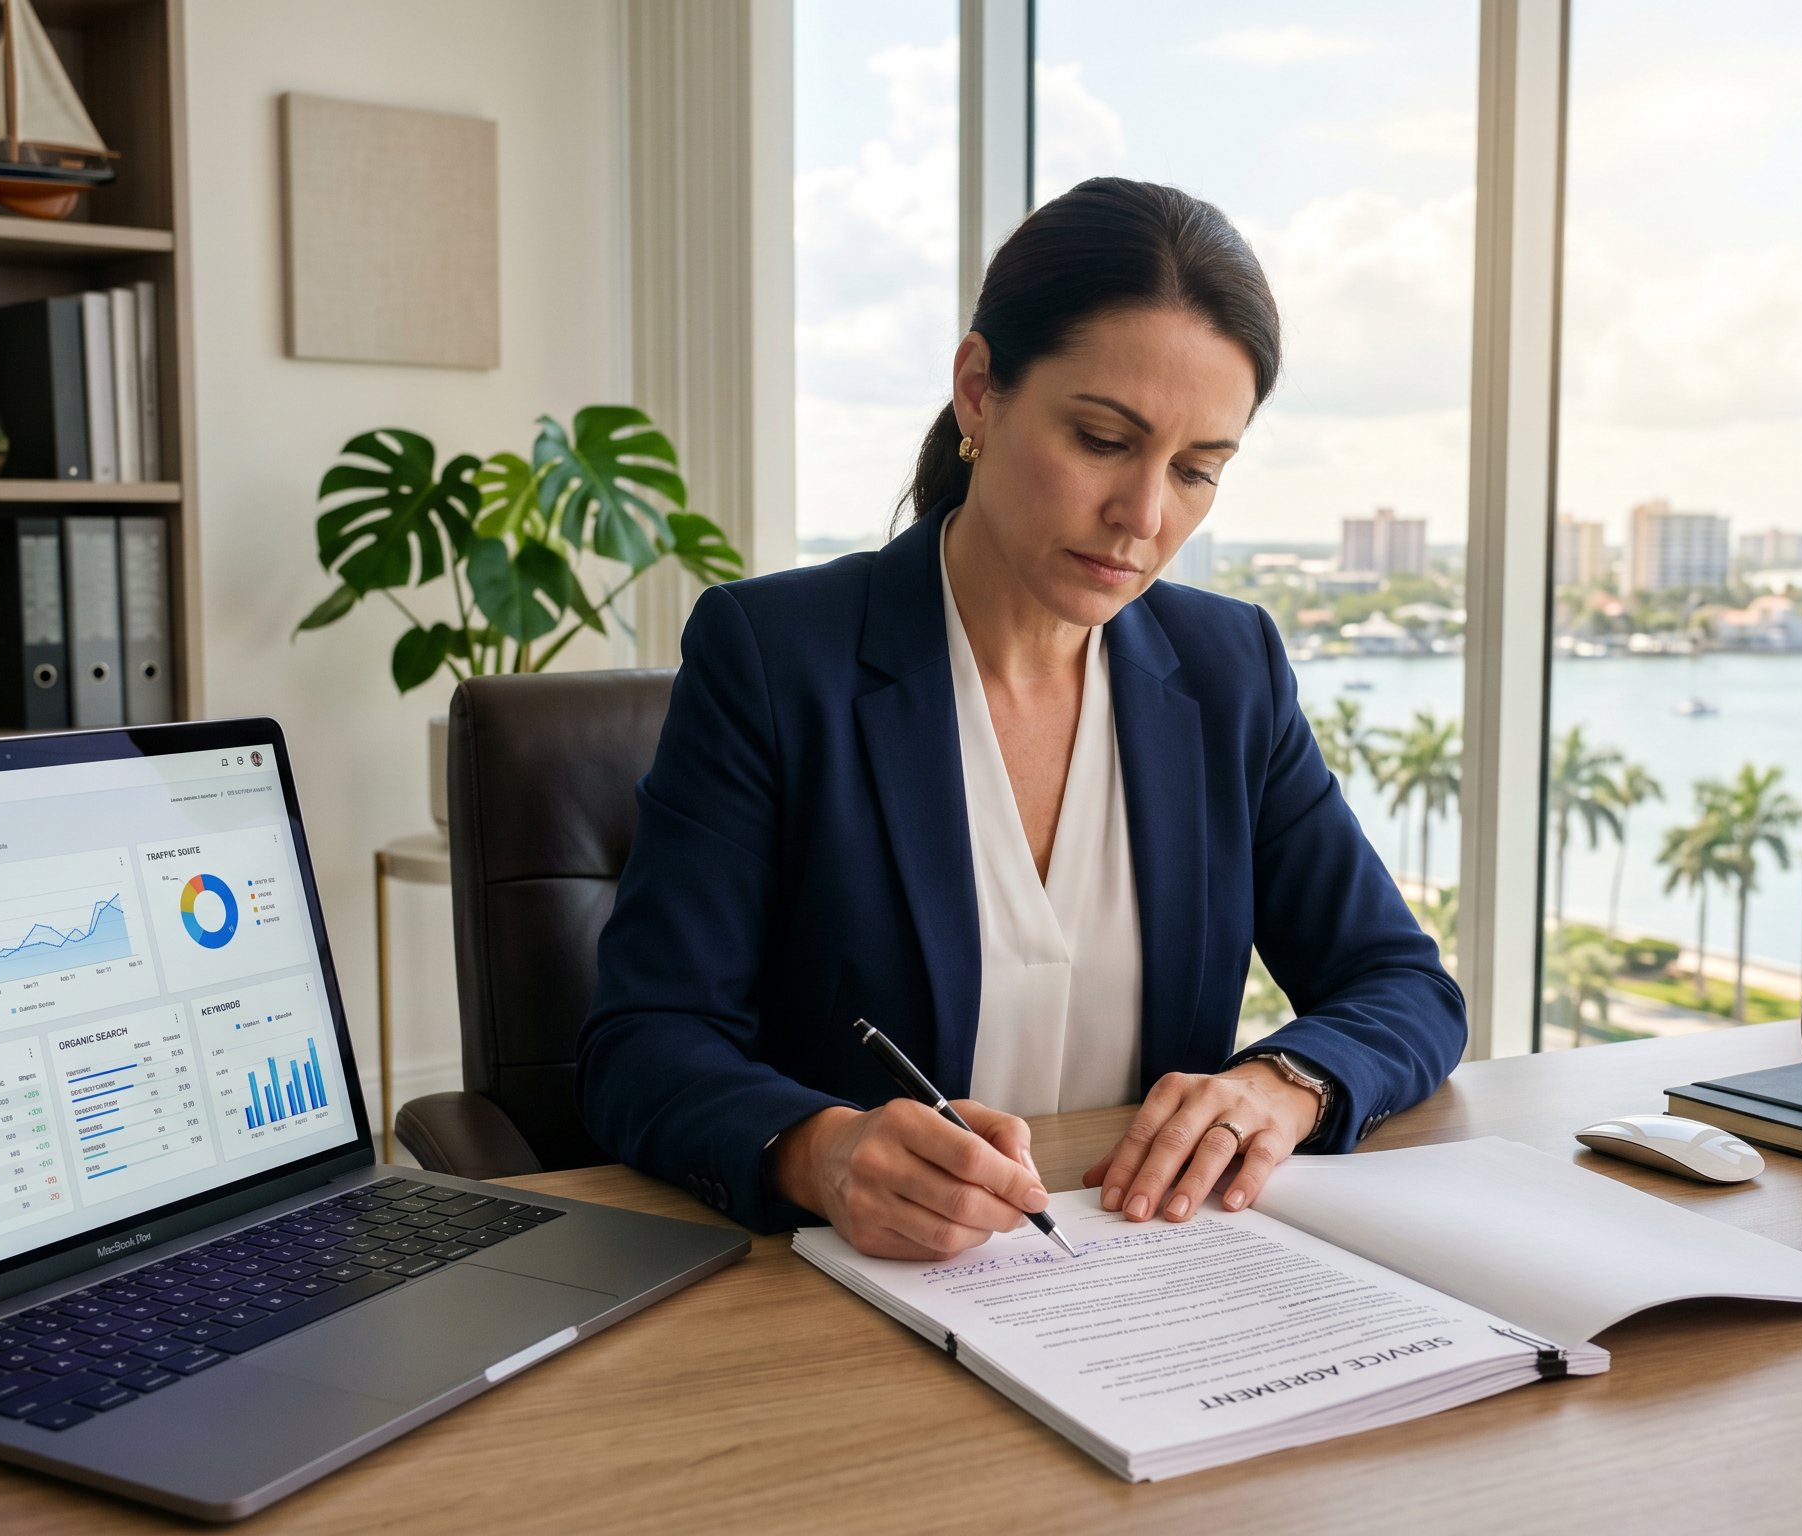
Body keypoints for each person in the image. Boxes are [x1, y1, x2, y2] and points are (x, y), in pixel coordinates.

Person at [579, 177, 1465, 1260]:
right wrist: (822, 1151)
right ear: (978, 392)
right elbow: (643, 1041)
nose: (1144, 518)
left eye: (1195, 471)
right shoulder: (772, 658)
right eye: (1101, 440)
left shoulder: (1228, 672)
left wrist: (1284, 1085)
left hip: (1147, 1287)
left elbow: (1402, 986)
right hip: (852, 1299)